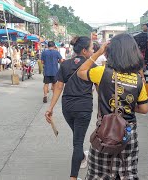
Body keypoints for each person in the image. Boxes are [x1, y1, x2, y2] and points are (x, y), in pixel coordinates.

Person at [77, 33, 148, 179]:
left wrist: (98, 52)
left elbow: (81, 72)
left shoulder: (102, 72)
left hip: (105, 132)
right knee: (127, 174)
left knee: (99, 174)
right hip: (128, 133)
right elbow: (143, 109)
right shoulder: (138, 80)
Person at [45, 36, 96, 180]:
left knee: (77, 136)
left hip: (67, 108)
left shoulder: (65, 64)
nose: (93, 51)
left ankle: (81, 156)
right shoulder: (92, 65)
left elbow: (58, 87)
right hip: (84, 108)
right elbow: (100, 89)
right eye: (91, 48)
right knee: (78, 142)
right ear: (85, 50)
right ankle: (74, 176)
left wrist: (51, 108)